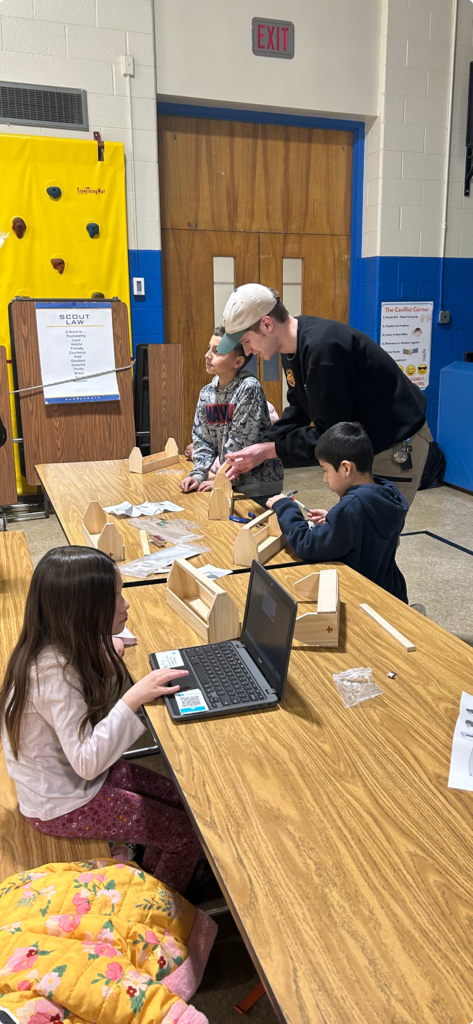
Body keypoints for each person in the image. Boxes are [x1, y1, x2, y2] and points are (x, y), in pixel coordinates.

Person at [0, 546, 202, 893]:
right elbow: (87, 763)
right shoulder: (53, 675)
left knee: (181, 799)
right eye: (117, 597)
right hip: (63, 804)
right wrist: (133, 698)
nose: (126, 604)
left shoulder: (54, 644)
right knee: (185, 835)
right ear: (84, 613)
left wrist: (105, 645)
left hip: (71, 782)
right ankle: (155, 903)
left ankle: (152, 863)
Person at [219, 284, 431, 507]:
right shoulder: (292, 349)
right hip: (363, 443)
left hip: (395, 443)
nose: (249, 351)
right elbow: (299, 407)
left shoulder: (322, 350)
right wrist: (263, 443)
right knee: (354, 527)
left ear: (267, 324)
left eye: (246, 342)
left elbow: (332, 436)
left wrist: (270, 451)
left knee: (374, 533)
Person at [266, 422, 408, 602]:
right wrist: (333, 519)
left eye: (325, 471)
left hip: (361, 597)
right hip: (390, 591)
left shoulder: (351, 508)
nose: (325, 480)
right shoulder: (387, 494)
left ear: (346, 468)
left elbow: (308, 545)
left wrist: (285, 506)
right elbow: (366, 531)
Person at [180, 325, 283, 505]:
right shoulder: (206, 393)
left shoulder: (248, 388)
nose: (207, 355)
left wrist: (222, 478)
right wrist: (198, 474)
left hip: (258, 485)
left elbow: (240, 442)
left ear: (238, 362)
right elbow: (202, 439)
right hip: (227, 480)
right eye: (208, 348)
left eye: (217, 352)